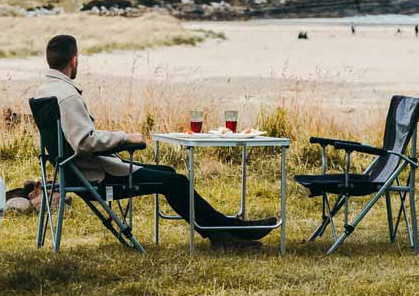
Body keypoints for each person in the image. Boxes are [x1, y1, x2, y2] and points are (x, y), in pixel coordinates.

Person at [36, 35, 279, 247]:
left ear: (51, 60)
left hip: (73, 173)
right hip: (96, 178)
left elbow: (76, 139)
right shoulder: (67, 96)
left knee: (169, 174)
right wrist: (124, 138)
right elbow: (84, 141)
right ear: (74, 60)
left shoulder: (45, 91)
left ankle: (221, 230)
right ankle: (225, 232)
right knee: (176, 182)